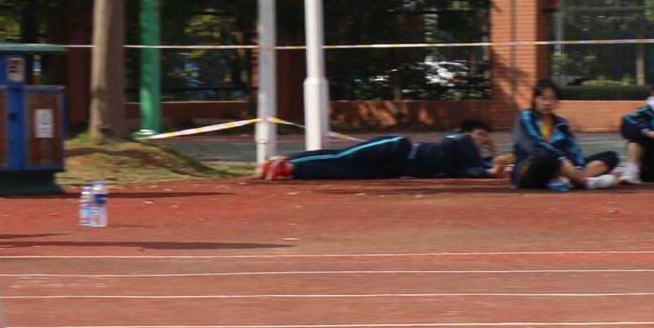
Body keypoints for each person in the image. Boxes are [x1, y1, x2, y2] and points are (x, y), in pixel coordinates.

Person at [258, 120, 506, 181]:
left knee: (342, 173)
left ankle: (291, 169)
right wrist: (492, 162)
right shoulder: (460, 141)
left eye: (487, 137)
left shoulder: (469, 159)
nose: (483, 140)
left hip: (396, 169)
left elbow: (471, 171)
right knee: (342, 156)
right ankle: (286, 158)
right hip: (397, 148)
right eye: (481, 135)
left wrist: (493, 159)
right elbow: (477, 168)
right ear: (468, 132)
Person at [513, 79, 619, 191]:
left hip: (564, 167)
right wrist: (560, 159)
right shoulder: (525, 117)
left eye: (551, 99)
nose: (547, 103)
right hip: (530, 170)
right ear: (535, 100)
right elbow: (532, 144)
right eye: (543, 98)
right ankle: (584, 181)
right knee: (545, 155)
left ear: (557, 101)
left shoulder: (561, 123)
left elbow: (572, 148)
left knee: (611, 156)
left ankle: (569, 180)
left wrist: (577, 166)